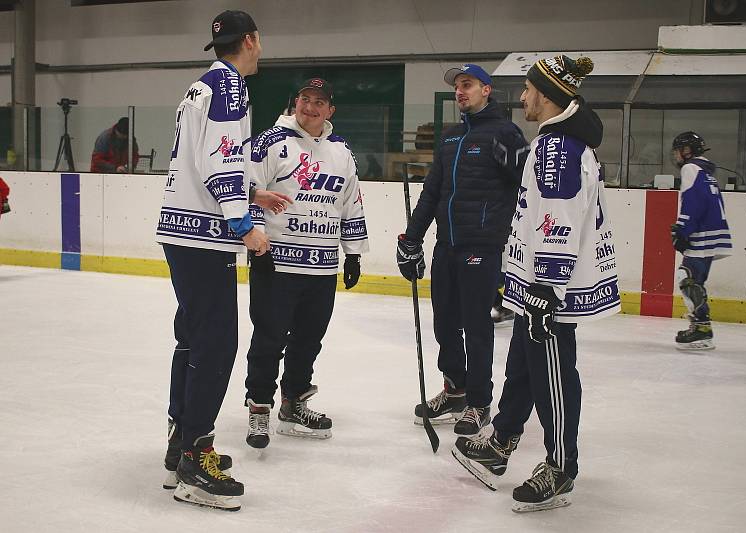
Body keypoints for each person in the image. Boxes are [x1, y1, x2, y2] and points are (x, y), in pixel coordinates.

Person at [451, 54, 620, 513]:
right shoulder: (556, 142)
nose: (522, 96)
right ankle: (503, 439)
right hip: (536, 284)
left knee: (554, 375)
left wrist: (545, 289)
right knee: (524, 365)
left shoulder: (558, 150)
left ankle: (561, 466)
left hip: (550, 289)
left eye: (527, 89)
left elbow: (557, 221)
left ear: (545, 94)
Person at [155, 10, 280, 512]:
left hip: (182, 229)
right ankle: (195, 457)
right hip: (205, 236)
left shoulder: (200, 86)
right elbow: (221, 163)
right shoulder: (230, 87)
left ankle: (179, 439)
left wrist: (254, 192)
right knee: (216, 343)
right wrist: (244, 224)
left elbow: (203, 157)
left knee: (192, 338)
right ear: (251, 40)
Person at [396, 64, 528, 436]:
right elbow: (433, 193)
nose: (460, 91)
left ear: (487, 90)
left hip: (481, 246)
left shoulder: (505, 133)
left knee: (476, 325)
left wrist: (516, 237)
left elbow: (528, 190)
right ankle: (455, 388)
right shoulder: (452, 139)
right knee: (444, 322)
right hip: (447, 245)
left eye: (467, 85)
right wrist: (411, 238)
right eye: (457, 86)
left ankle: (479, 402)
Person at [244, 78, 369, 446]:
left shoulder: (341, 151)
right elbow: (245, 191)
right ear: (295, 102)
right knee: (269, 339)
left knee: (308, 340)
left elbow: (350, 201)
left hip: (321, 266)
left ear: (330, 111)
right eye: (305, 99)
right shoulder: (270, 142)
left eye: (319, 102)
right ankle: (259, 407)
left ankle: (293, 401)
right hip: (276, 262)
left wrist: (354, 252)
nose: (310, 107)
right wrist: (254, 241)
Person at [669, 132, 733, 350]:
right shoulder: (706, 172)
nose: (676, 156)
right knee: (694, 279)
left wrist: (683, 229)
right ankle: (701, 327)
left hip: (702, 233)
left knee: (687, 277)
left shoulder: (691, 169)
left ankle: (702, 329)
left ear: (687, 151)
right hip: (713, 232)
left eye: (678, 151)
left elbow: (694, 201)